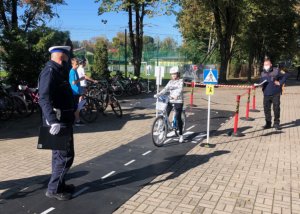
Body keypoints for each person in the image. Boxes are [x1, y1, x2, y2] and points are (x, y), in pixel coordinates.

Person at [38, 46, 76, 201]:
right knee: (65, 156)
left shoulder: (58, 70)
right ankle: (53, 189)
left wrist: (74, 108)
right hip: (58, 122)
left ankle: (59, 185)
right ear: (62, 55)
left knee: (59, 156)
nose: (69, 57)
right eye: (67, 54)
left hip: (64, 119)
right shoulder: (50, 71)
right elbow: (43, 97)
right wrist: (52, 120)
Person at [154, 66, 184, 143]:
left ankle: (181, 135)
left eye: (175, 74)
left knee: (177, 117)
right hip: (170, 100)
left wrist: (176, 95)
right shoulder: (170, 82)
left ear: (178, 74)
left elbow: (180, 89)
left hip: (178, 101)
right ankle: (164, 132)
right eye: (172, 74)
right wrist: (159, 94)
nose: (173, 75)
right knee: (165, 114)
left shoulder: (181, 81)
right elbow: (165, 89)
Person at [257, 58, 288, 130]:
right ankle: (268, 123)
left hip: (275, 93)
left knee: (276, 108)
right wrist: (258, 84)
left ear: (271, 64)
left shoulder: (277, 70)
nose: (266, 66)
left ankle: (276, 123)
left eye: (267, 64)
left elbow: (286, 74)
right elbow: (261, 81)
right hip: (266, 94)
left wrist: (280, 83)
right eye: (264, 65)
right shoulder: (262, 73)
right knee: (266, 109)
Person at [69, 58, 85, 126]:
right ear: (72, 64)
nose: (77, 65)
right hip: (74, 92)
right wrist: (81, 79)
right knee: (76, 107)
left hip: (77, 92)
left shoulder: (75, 71)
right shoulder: (72, 71)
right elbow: (73, 82)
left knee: (77, 106)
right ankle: (77, 121)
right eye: (76, 64)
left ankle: (76, 120)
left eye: (78, 63)